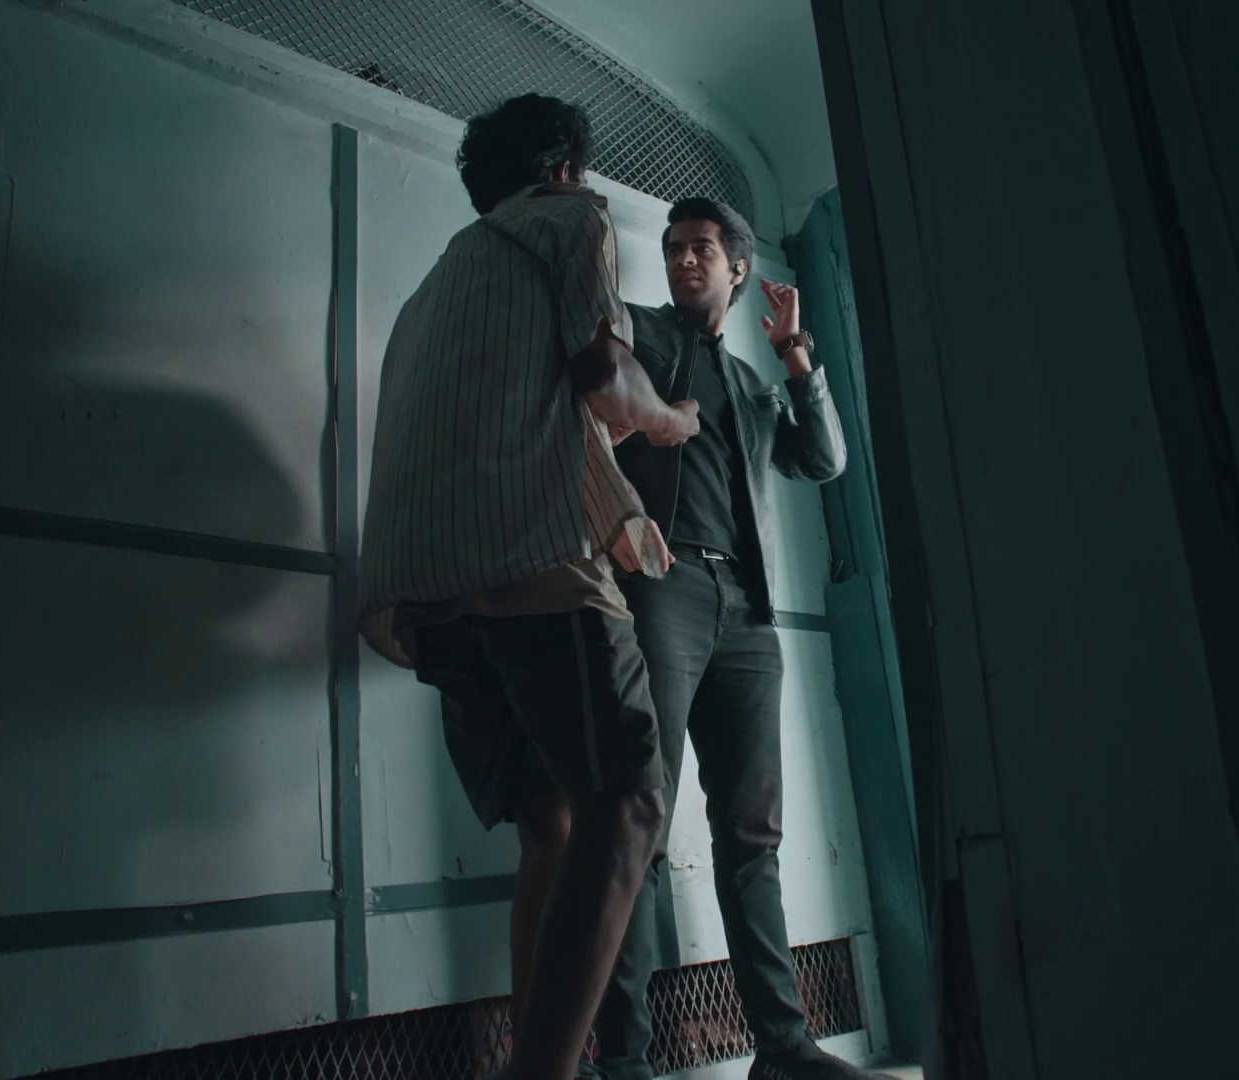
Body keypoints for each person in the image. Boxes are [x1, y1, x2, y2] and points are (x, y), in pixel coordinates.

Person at [358, 93, 698, 1080]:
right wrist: (672, 419)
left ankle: (546, 1064)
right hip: (530, 565)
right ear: (565, 171)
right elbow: (604, 378)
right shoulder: (570, 218)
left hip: (425, 596)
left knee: (550, 828)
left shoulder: (432, 291)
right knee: (630, 807)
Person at [593, 197, 890, 1080]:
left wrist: (796, 356)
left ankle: (784, 1047)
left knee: (752, 835)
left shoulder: (755, 386)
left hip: (748, 611)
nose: (684, 259)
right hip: (662, 587)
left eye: (702, 249)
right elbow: (592, 380)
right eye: (673, 247)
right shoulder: (639, 334)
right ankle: (624, 1060)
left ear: (737, 268)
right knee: (638, 824)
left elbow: (823, 459)